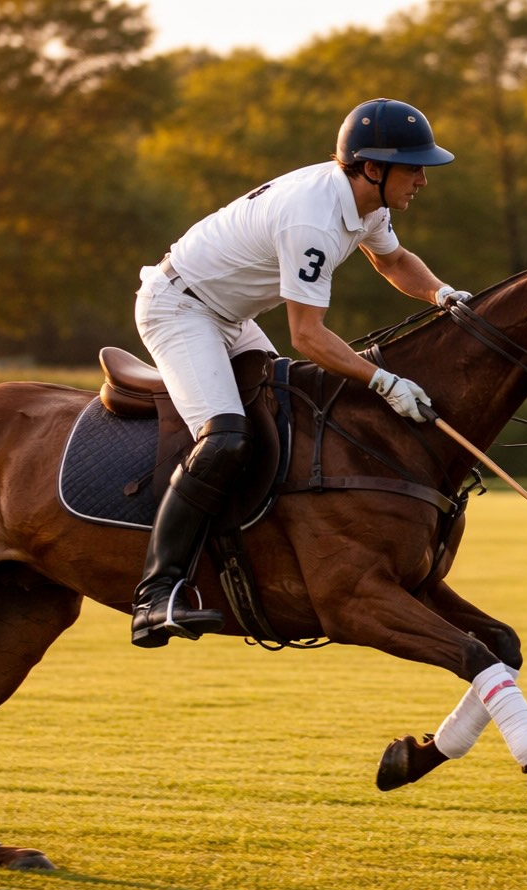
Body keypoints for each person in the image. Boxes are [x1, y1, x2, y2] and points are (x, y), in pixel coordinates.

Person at [129, 97, 472, 649]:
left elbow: (392, 261)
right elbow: (308, 336)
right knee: (224, 440)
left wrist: (442, 294)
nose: (422, 181)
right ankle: (155, 596)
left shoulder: (367, 205)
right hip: (179, 307)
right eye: (413, 168)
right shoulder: (312, 217)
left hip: (230, 315)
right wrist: (383, 381)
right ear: (372, 169)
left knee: (287, 415)